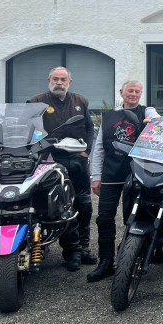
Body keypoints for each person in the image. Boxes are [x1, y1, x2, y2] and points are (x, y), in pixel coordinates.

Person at [86, 80, 158, 282]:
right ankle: (105, 262)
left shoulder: (147, 112)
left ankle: (128, 257)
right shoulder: (109, 116)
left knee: (132, 219)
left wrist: (154, 122)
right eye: (130, 91)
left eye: (137, 91)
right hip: (110, 175)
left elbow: (160, 121)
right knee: (104, 219)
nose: (133, 94)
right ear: (121, 92)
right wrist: (96, 177)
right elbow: (99, 149)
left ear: (141, 94)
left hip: (137, 176)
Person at [28, 67, 96, 271]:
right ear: (49, 80)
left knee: (84, 205)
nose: (59, 82)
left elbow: (89, 127)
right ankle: (71, 252)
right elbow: (28, 131)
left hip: (77, 160)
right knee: (61, 206)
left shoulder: (81, 101)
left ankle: (83, 248)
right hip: (51, 161)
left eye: (63, 79)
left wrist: (87, 150)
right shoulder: (36, 102)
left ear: (69, 82)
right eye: (56, 79)